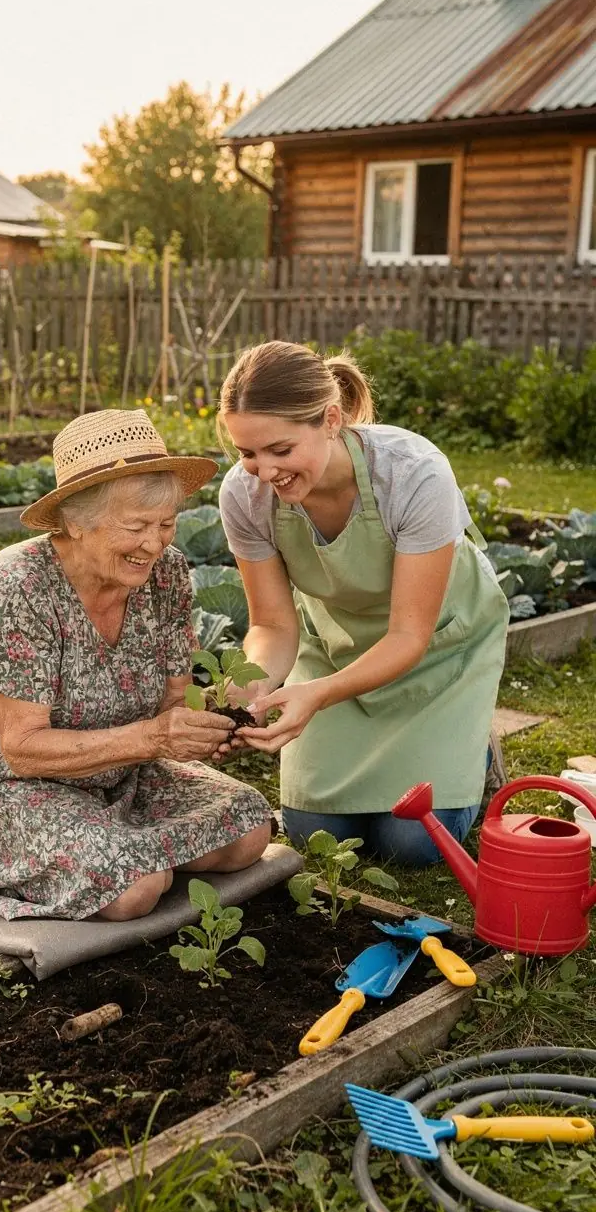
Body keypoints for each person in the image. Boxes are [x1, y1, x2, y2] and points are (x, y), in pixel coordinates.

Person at [0, 409, 273, 921]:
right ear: (75, 523)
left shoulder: (164, 572)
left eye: (166, 523)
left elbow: (172, 698)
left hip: (116, 767)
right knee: (134, 888)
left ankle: (80, 842)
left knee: (248, 829)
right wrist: (158, 739)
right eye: (136, 526)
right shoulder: (16, 588)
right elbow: (22, 750)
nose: (155, 543)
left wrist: (209, 723)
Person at [216, 340, 509, 866]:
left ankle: (476, 751)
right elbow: (273, 626)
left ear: (330, 419)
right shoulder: (245, 496)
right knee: (315, 833)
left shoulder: (412, 473)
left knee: (411, 845)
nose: (264, 471)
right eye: (247, 453)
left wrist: (317, 696)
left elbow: (408, 636)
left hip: (439, 646)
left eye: (280, 450)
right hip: (338, 647)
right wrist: (248, 692)